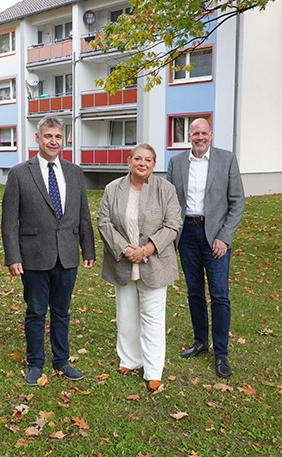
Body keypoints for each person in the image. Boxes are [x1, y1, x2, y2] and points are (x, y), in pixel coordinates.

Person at [2, 115, 95, 386]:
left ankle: (61, 360)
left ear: (63, 139)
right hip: (33, 255)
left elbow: (83, 215)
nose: (53, 141)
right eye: (48, 136)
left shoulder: (75, 172)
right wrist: (13, 257)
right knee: (35, 311)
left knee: (62, 311)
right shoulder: (20, 172)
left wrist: (87, 249)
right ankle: (35, 362)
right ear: (38, 139)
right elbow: (9, 221)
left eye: (57, 137)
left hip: (67, 255)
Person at [97, 143, 182, 392]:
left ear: (154, 164)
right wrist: (126, 249)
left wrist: (145, 250)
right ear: (129, 161)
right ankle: (130, 360)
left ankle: (153, 370)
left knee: (153, 318)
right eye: (137, 158)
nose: (142, 163)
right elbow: (103, 222)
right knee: (125, 315)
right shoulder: (113, 188)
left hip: (154, 262)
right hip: (122, 261)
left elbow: (173, 224)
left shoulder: (165, 189)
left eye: (148, 160)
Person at [167, 118, 245, 379]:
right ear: (189, 136)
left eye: (204, 133)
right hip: (187, 233)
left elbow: (237, 203)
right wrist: (172, 237)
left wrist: (224, 237)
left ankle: (221, 353)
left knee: (219, 294)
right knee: (194, 292)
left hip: (215, 237)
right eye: (195, 133)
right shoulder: (176, 163)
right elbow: (170, 203)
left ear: (211, 135)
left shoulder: (227, 159)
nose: (199, 137)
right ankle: (200, 341)